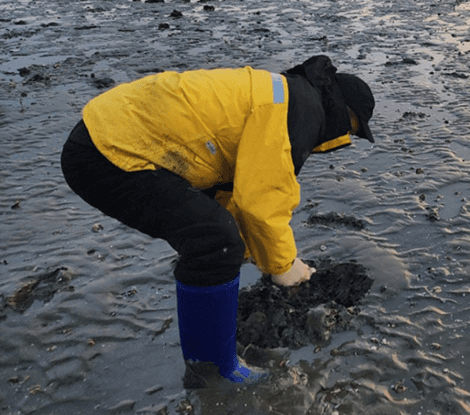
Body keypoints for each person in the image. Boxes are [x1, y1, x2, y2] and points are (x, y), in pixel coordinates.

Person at [60, 55, 375, 388]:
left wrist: (250, 249)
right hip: (108, 151)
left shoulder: (289, 94)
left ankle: (208, 353)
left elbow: (230, 186)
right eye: (353, 129)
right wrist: (285, 268)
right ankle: (212, 370)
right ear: (345, 114)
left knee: (219, 236)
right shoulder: (300, 112)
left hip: (109, 131)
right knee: (216, 242)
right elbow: (263, 202)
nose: (348, 136)